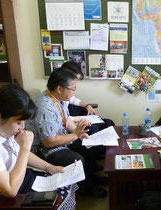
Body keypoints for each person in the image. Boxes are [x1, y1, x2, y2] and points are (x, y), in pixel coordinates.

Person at [0, 85, 78, 210]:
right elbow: (10, 190)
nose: (22, 127)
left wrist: (49, 167)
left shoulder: (4, 129)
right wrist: (24, 147)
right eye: (18, 122)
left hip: (21, 179)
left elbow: (21, 155)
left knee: (67, 182)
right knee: (58, 199)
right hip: (0, 198)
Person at [26, 67, 107, 198]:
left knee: (87, 146)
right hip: (43, 150)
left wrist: (78, 134)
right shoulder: (44, 107)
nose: (74, 92)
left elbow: (66, 119)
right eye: (73, 89)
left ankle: (91, 179)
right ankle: (86, 190)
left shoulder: (60, 99)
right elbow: (48, 142)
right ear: (59, 88)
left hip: (60, 139)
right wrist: (74, 135)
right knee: (77, 159)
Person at [61, 60, 115, 131]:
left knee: (109, 123)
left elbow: (73, 100)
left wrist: (87, 105)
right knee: (94, 129)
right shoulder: (59, 93)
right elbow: (62, 119)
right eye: (74, 79)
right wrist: (79, 120)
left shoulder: (67, 90)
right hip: (70, 125)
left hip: (73, 120)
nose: (75, 83)